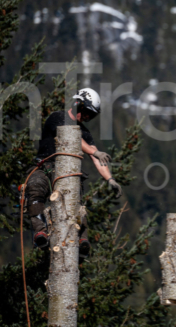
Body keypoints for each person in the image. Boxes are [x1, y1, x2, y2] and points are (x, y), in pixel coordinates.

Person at [25, 88, 122, 258]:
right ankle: (40, 231)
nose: (87, 118)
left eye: (91, 116)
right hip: (44, 166)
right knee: (35, 188)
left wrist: (110, 179)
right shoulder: (58, 117)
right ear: (78, 104)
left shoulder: (84, 132)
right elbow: (73, 138)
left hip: (67, 172)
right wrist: (94, 152)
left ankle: (81, 238)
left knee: (75, 200)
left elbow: (96, 157)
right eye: (86, 113)